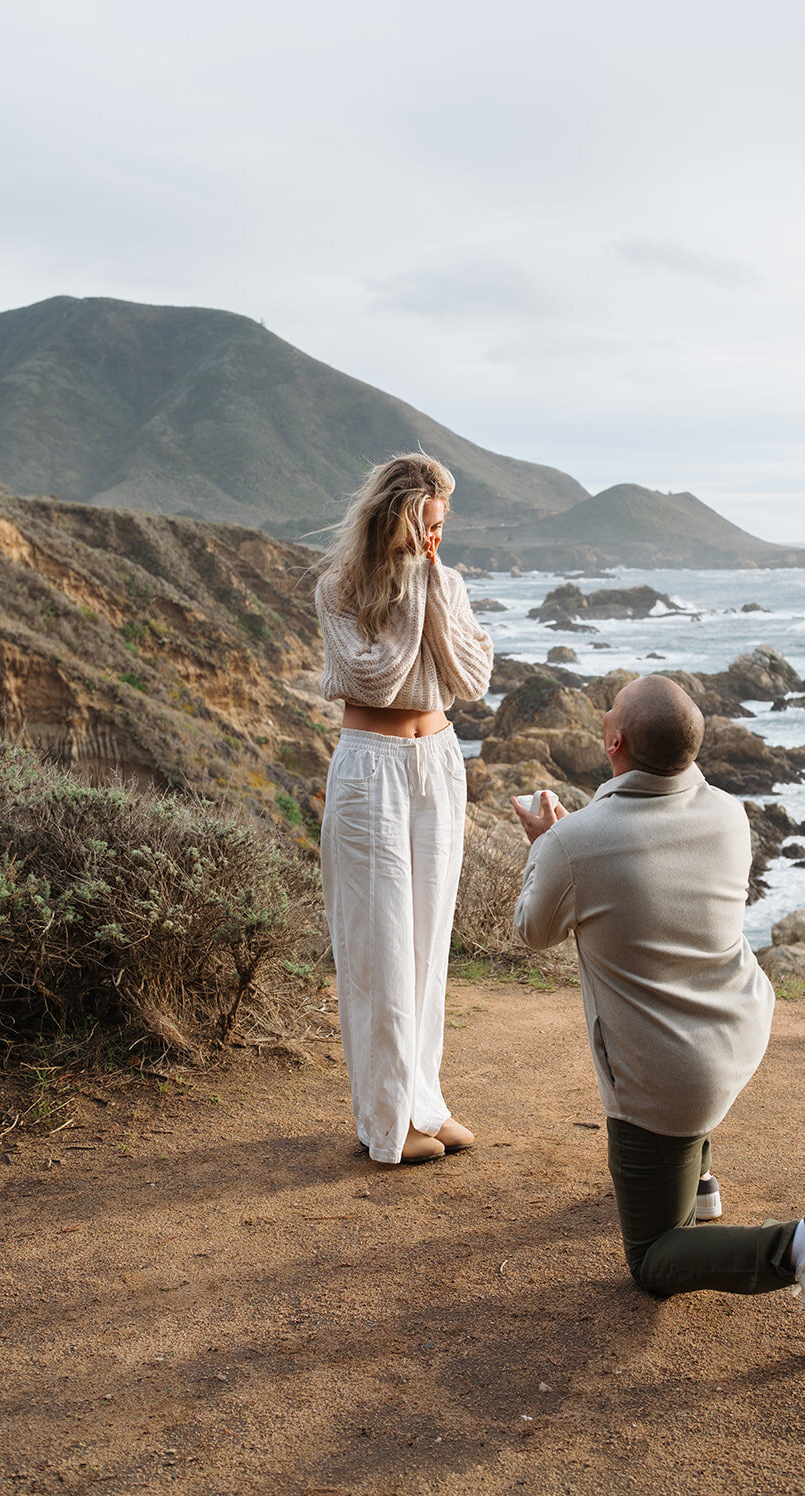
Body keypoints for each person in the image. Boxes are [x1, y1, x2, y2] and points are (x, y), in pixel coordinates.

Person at [512, 674, 805, 1361]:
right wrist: (575, 840)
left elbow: (533, 929)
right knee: (683, 1078)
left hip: (670, 1076)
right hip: (738, 1025)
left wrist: (543, 845)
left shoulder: (573, 844)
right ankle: (697, 1181)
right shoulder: (729, 813)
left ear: (613, 741)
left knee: (650, 1258)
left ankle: (798, 1246)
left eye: (607, 713)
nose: (603, 717)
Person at [316, 454, 493, 1165]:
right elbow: (377, 677)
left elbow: (471, 677)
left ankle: (426, 1102)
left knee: (426, 950)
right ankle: (388, 1123)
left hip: (439, 764)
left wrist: (434, 586)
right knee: (380, 950)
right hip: (372, 771)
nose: (437, 543)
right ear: (399, 520)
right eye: (428, 528)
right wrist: (418, 585)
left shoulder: (444, 580)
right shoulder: (340, 589)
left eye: (442, 529)